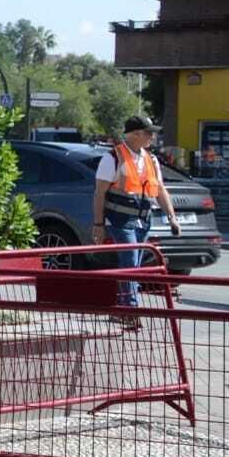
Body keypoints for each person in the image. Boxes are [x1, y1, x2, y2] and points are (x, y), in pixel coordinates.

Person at [92, 115, 180, 325]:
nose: (152, 137)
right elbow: (99, 194)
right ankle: (131, 311)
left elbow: (159, 190)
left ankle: (121, 309)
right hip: (120, 220)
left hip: (143, 221)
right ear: (135, 134)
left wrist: (172, 217)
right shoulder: (112, 158)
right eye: (149, 133)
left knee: (133, 266)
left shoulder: (151, 160)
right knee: (130, 262)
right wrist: (98, 225)